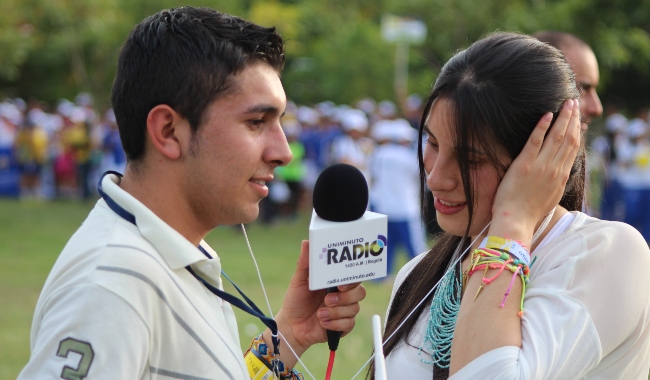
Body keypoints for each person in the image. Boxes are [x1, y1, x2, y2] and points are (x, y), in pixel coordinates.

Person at [19, 7, 365, 379]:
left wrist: (291, 333)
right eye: (255, 122)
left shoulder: (170, 253)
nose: (283, 151)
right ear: (169, 132)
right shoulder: (110, 286)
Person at [379, 32, 650, 379]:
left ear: (544, 159)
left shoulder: (610, 255)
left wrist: (514, 220)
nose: (435, 178)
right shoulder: (418, 274)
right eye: (432, 142)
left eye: (471, 159)